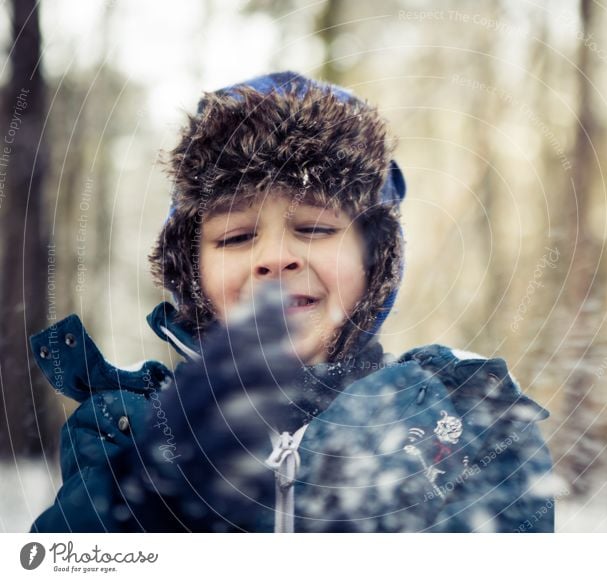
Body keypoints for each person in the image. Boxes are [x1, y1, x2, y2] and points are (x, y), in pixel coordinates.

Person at [29, 72, 555, 533]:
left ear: (374, 264)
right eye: (236, 237)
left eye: (316, 228)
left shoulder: (460, 419)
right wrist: (163, 490)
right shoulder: (125, 429)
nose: (276, 258)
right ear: (191, 272)